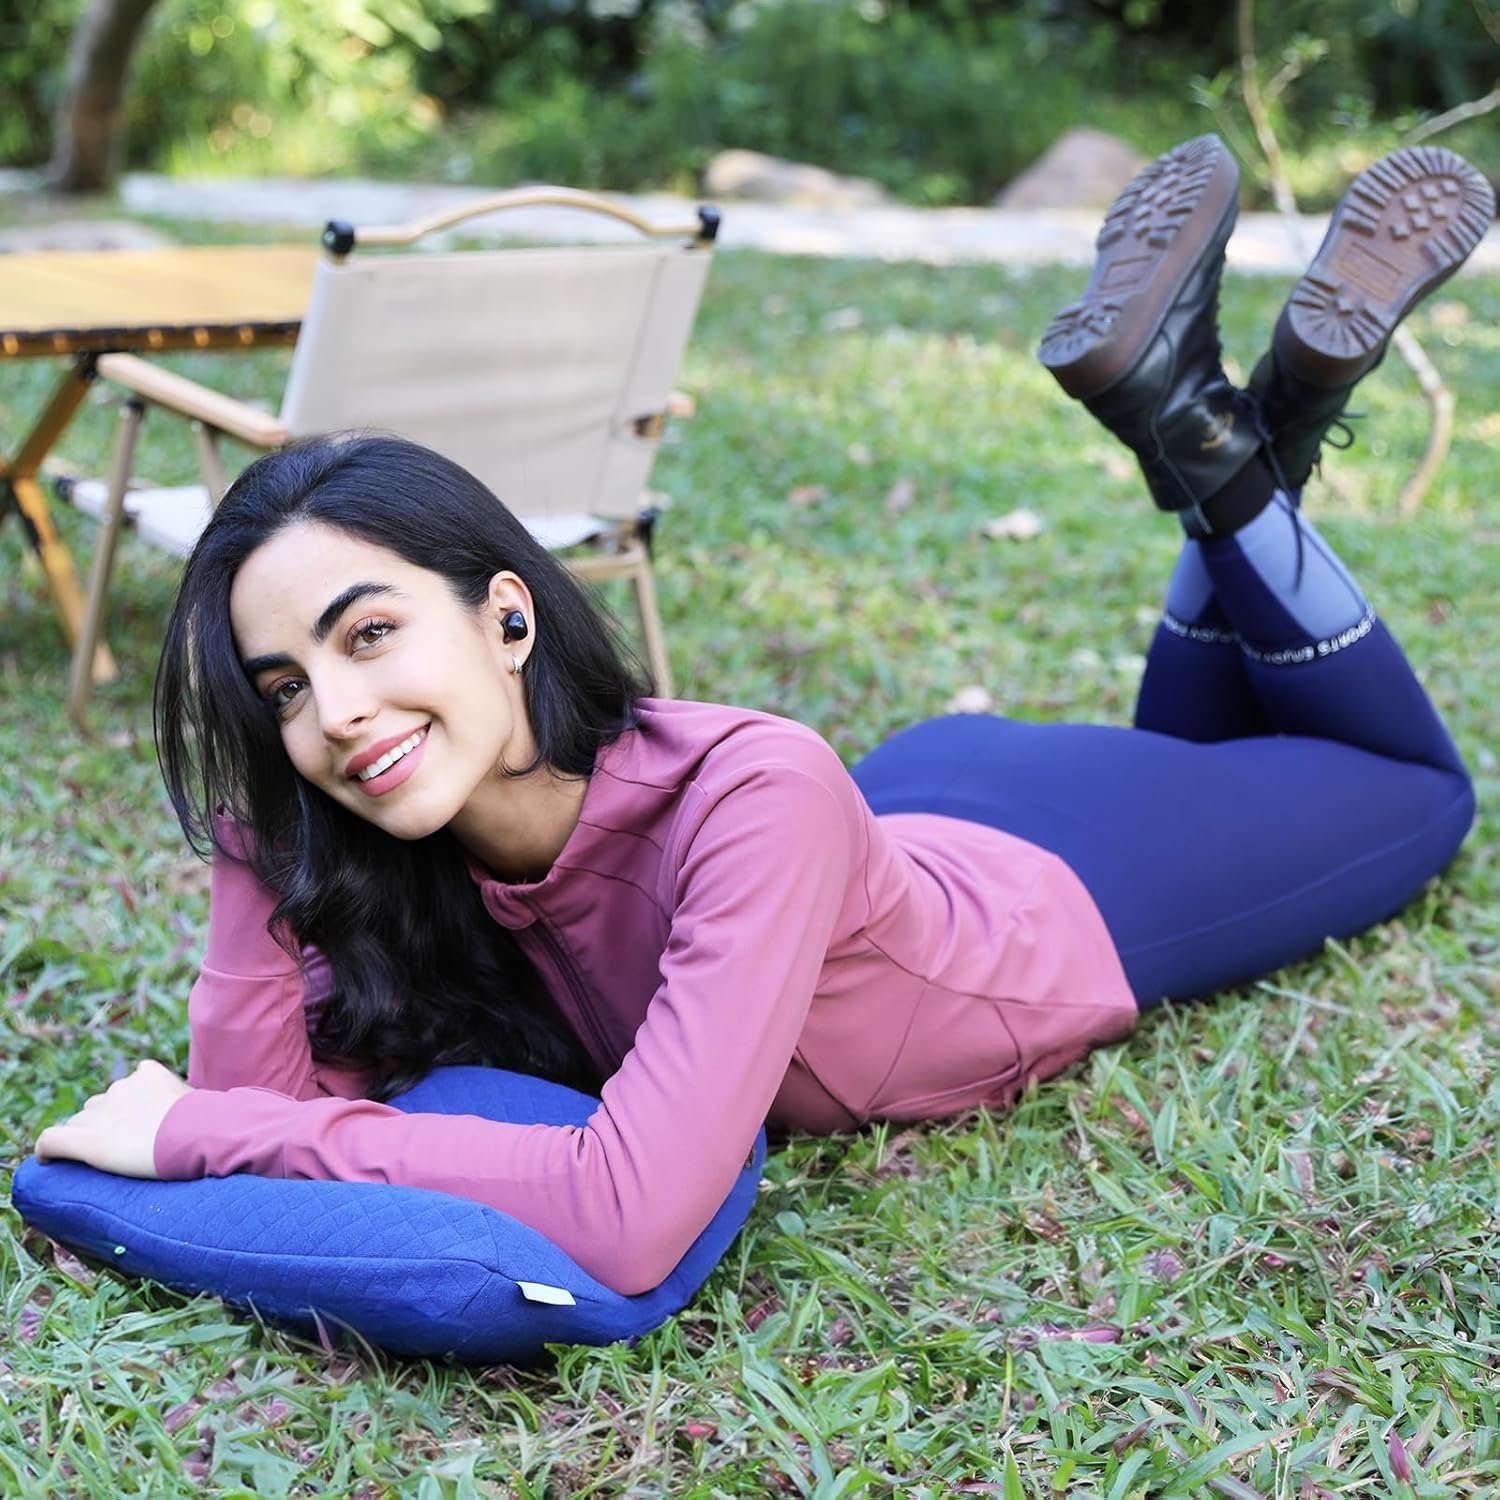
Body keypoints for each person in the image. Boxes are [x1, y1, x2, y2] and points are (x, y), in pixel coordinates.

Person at [34, 136, 1490, 1297]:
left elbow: (621, 1215)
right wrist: (261, 822)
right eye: (285, 687)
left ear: (507, 617)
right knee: (1209, 748)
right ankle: (1243, 432)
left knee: (1416, 792)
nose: (340, 712)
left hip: (1075, 890)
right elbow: (256, 1116)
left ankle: (1227, 449)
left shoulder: (746, 789)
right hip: (898, 819)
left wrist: (198, 1128)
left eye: (369, 635)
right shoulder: (403, 847)